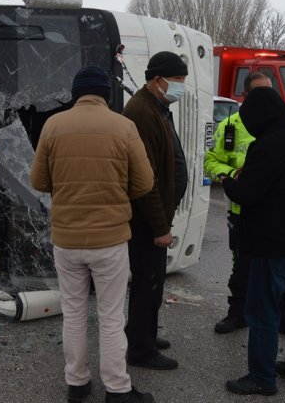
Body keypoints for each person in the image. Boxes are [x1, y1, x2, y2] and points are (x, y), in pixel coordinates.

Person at [31, 66, 156, 403]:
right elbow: (145, 183)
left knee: (73, 313)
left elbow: (39, 182)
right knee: (112, 316)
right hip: (110, 240)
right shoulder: (123, 126)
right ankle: (117, 390)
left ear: (76, 93)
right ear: (105, 94)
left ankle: (77, 384)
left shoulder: (53, 125)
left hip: (67, 239)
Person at [221, 87, 285, 396]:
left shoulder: (266, 146)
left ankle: (262, 378)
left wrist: (228, 180)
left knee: (262, 312)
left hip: (273, 245)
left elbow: (247, 194)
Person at [122, 51, 189, 371]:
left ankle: (140, 333)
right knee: (148, 283)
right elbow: (144, 178)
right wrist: (161, 226)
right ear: (158, 79)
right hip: (147, 219)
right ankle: (140, 349)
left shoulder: (159, 107)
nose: (181, 86)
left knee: (152, 283)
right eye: (177, 80)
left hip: (157, 213)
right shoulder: (142, 112)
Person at [203, 71, 272, 334]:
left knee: (275, 268)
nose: (266, 97)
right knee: (242, 267)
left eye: (269, 91)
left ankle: (281, 315)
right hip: (241, 212)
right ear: (244, 96)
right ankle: (238, 313)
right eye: (259, 92)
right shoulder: (229, 126)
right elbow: (210, 161)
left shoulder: (283, 121)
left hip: (272, 211)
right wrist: (233, 174)